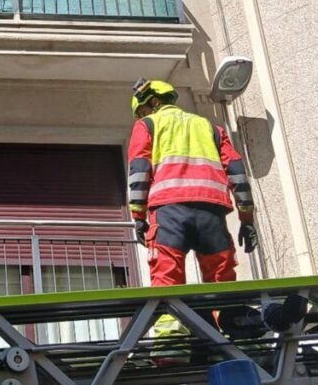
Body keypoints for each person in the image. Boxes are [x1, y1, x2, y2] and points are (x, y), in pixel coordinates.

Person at [128, 78, 305, 350]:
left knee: (167, 282)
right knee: (221, 282)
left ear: (152, 102)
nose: (142, 116)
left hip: (169, 213)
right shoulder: (211, 128)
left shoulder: (148, 125)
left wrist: (138, 217)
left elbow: (139, 173)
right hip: (212, 214)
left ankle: (170, 347)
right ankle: (235, 337)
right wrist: (246, 220)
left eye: (142, 110)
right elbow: (238, 173)